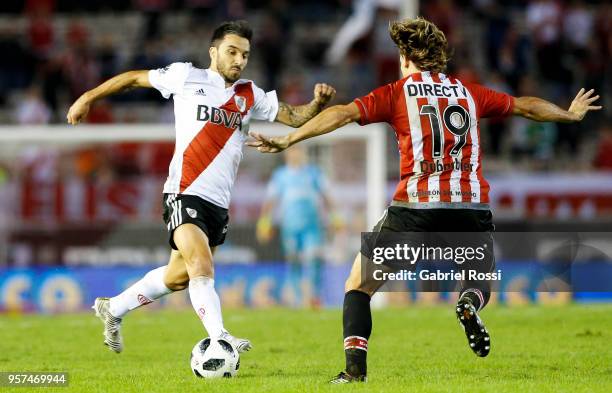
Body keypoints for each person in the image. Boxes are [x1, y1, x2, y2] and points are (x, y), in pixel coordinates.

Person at [248, 17, 601, 383]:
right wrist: (568, 113)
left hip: (416, 208)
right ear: (439, 58)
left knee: (359, 286)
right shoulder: (469, 93)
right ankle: (467, 303)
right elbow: (525, 106)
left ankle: (354, 373)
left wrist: (291, 139)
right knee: (479, 284)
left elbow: (342, 113)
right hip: (470, 207)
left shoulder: (398, 92)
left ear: (405, 57)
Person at [66, 20, 336, 354]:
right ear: (214, 52)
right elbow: (135, 78)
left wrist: (317, 104)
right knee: (202, 266)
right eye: (232, 52)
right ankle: (221, 338)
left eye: (245, 55)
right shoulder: (186, 76)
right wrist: (88, 97)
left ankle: (113, 308)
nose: (238, 60)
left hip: (218, 203)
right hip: (183, 190)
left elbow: (293, 117)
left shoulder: (250, 94)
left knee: (179, 276)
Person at [257, 144, 332, 308]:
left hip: (312, 226)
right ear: (287, 155)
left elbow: (326, 197)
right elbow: (270, 201)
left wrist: (335, 218)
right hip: (290, 227)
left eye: (299, 151)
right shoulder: (280, 176)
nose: (295, 155)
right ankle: (299, 299)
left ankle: (314, 296)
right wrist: (264, 223)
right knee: (294, 260)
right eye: (292, 152)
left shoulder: (314, 173)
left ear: (303, 154)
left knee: (314, 258)